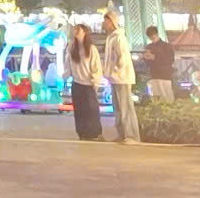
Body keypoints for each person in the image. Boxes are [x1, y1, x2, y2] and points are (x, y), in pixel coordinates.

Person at [100, 10, 140, 143]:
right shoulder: (111, 37)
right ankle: (122, 134)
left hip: (122, 78)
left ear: (112, 22)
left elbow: (122, 58)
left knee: (126, 108)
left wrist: (114, 71)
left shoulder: (119, 37)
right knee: (117, 108)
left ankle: (131, 136)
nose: (104, 24)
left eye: (106, 21)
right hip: (114, 78)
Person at [63, 23, 103, 141]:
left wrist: (95, 81)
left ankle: (95, 133)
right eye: (75, 30)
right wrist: (65, 77)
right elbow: (67, 64)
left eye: (78, 30)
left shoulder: (91, 48)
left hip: (89, 84)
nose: (75, 32)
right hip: (77, 84)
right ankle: (82, 133)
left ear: (85, 32)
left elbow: (96, 67)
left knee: (91, 110)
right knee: (79, 111)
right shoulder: (71, 47)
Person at [143, 25, 178, 102]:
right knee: (156, 97)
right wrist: (147, 58)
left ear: (157, 34)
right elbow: (146, 62)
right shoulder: (148, 47)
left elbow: (170, 60)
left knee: (167, 97)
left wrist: (154, 57)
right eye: (150, 37)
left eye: (153, 36)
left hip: (165, 75)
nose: (152, 38)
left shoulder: (167, 46)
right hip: (154, 75)